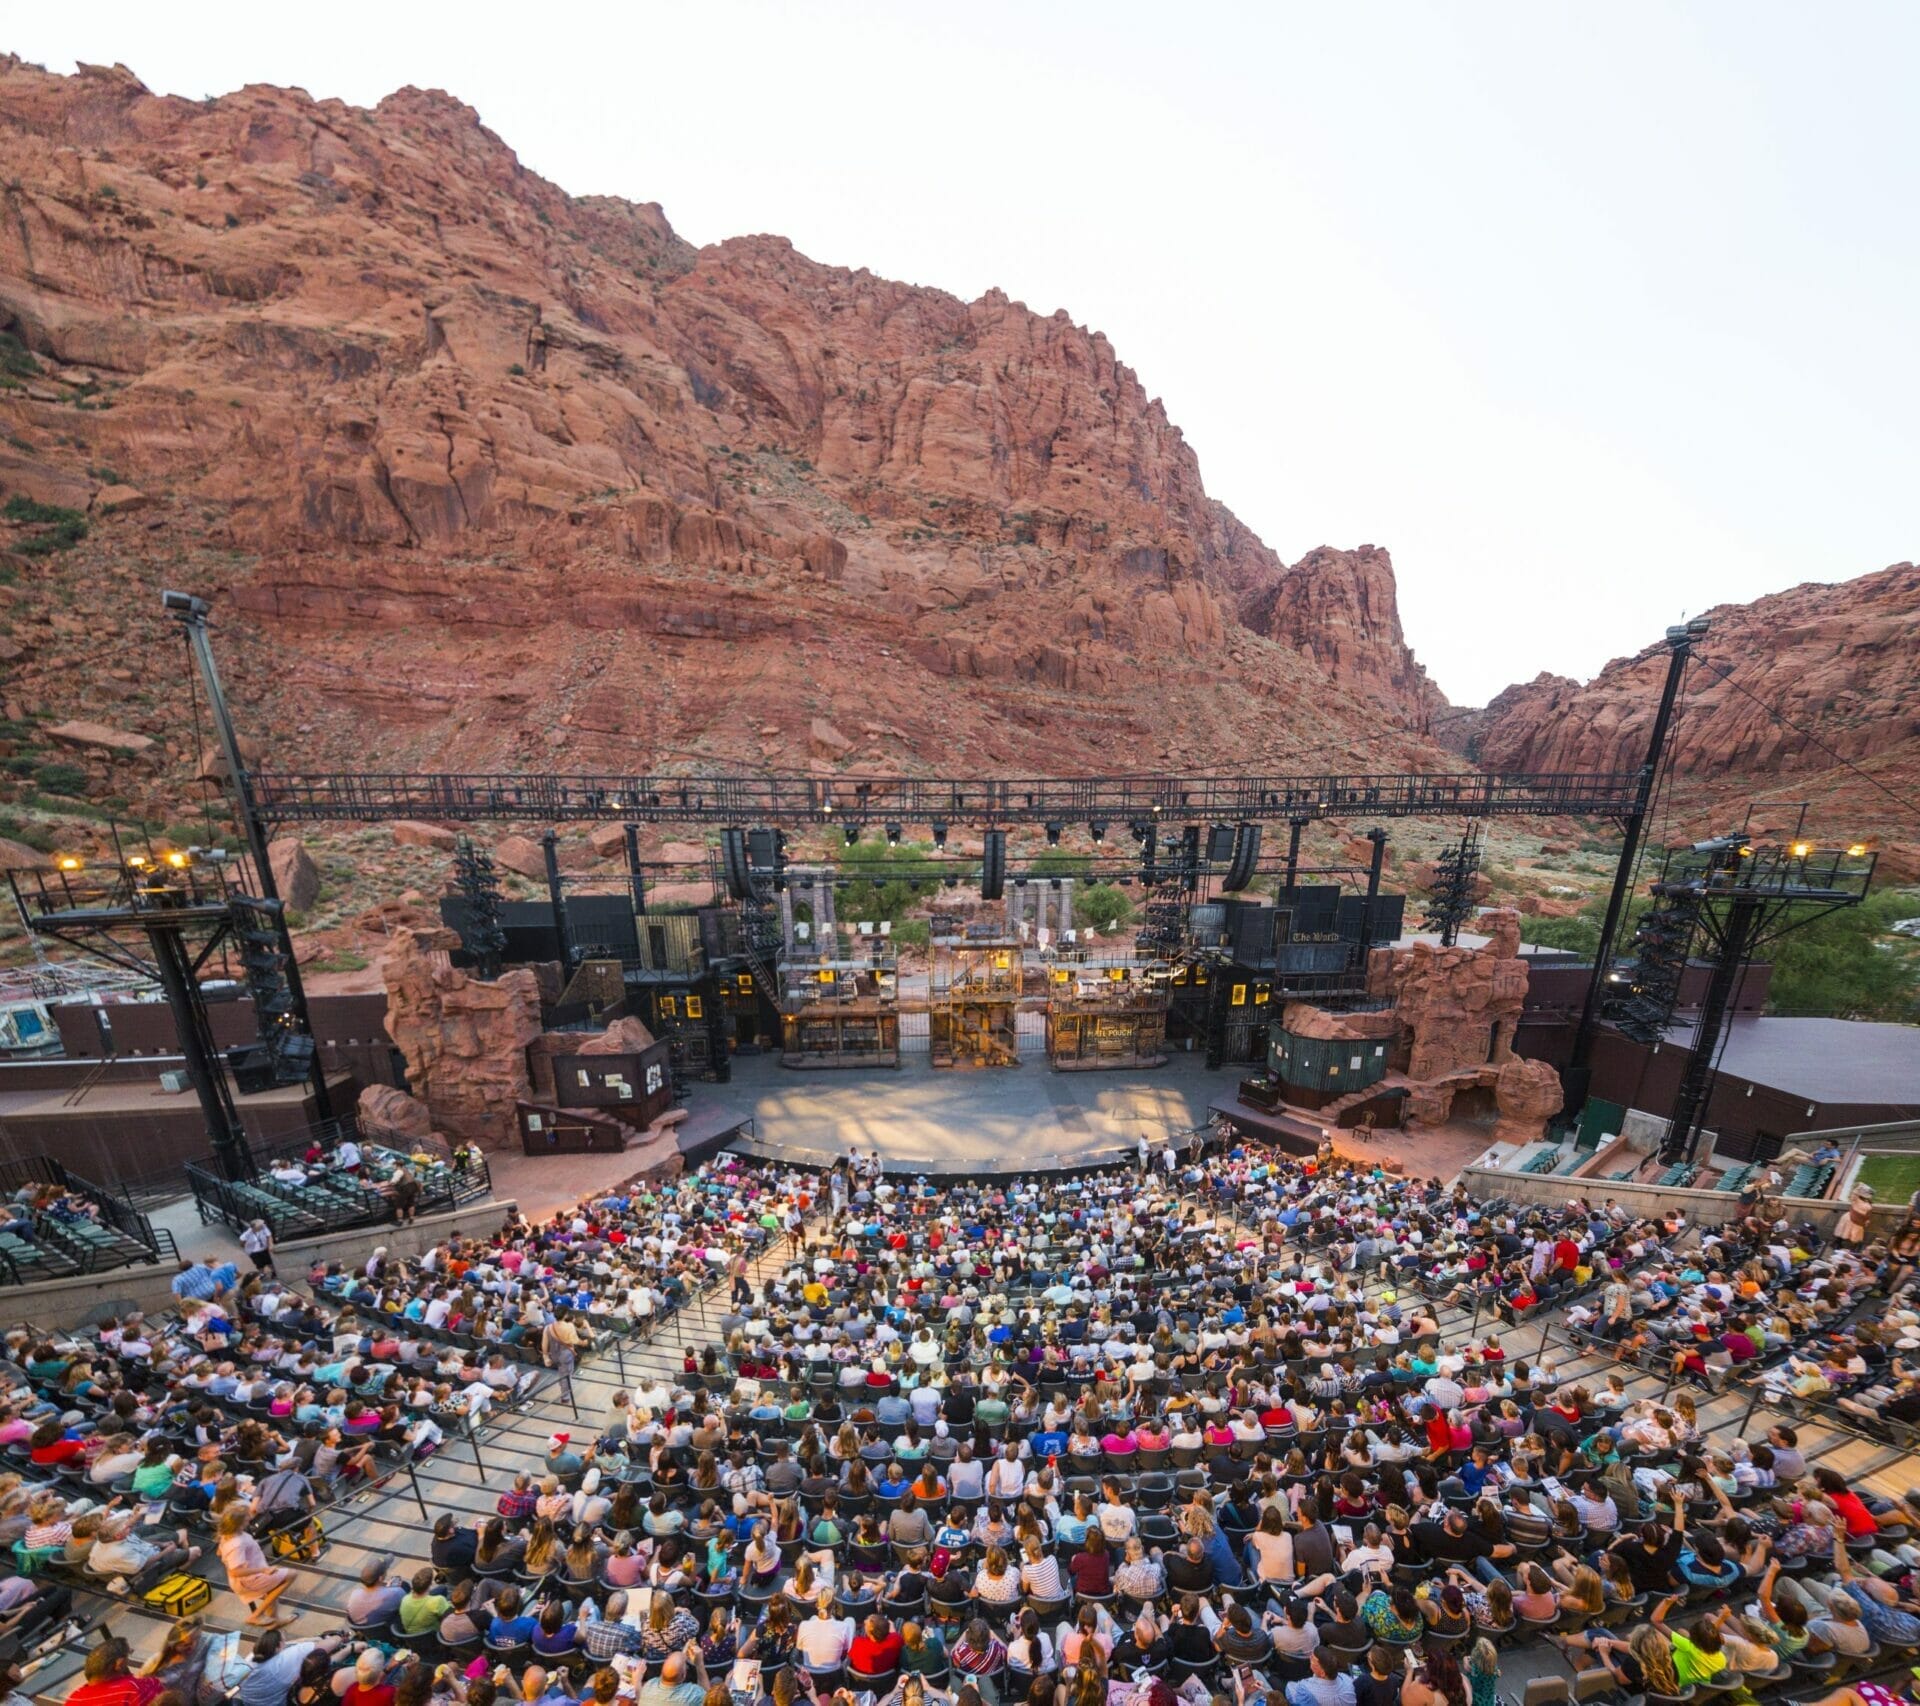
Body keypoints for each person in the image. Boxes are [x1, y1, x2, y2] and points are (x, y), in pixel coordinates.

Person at [218, 1505, 295, 1626]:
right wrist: (263, 1570)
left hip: (250, 1575)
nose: (249, 1518)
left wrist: (252, 1547)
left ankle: (275, 1621)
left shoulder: (228, 1536)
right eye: (246, 1518)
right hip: (251, 1578)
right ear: (238, 1523)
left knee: (273, 1590)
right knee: (291, 1575)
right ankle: (256, 1615)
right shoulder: (237, 1543)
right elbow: (235, 1571)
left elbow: (221, 1553)